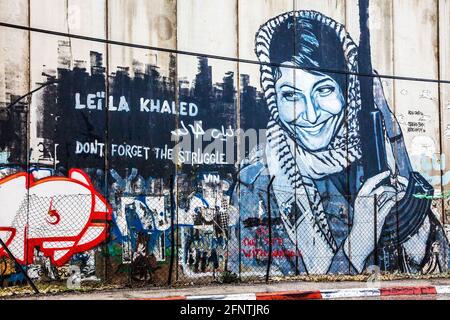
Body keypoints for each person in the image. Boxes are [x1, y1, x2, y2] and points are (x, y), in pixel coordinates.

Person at [230, 10, 448, 275]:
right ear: (274, 99)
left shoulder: (379, 159)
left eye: (324, 90)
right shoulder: (257, 185)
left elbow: (440, 270)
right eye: (291, 95)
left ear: (347, 92)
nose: (310, 115)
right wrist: (360, 239)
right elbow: (268, 286)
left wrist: (417, 241)